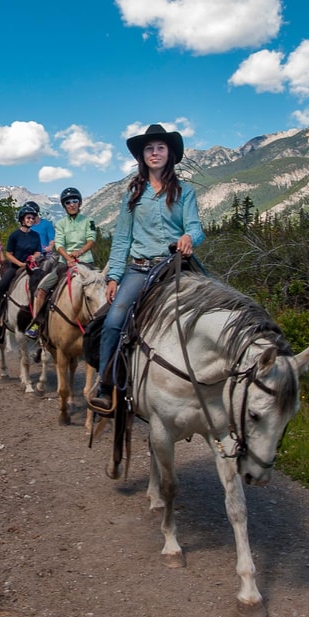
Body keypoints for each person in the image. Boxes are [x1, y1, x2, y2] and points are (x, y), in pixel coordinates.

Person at [89, 124, 205, 413]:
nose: (155, 153)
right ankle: (105, 384)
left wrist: (190, 237)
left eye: (160, 148)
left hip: (177, 265)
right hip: (140, 270)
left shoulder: (185, 192)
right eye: (149, 148)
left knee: (214, 309)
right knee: (115, 318)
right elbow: (122, 240)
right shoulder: (132, 194)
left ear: (170, 153)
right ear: (143, 156)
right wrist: (114, 276)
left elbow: (195, 228)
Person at [25, 187, 96, 338]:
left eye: (75, 201)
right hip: (64, 264)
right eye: (68, 202)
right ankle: (38, 324)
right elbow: (59, 244)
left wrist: (79, 252)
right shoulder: (61, 224)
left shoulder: (88, 221)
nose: (72, 204)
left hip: (86, 263)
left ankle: (105, 326)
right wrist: (69, 258)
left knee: (103, 287)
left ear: (80, 202)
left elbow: (91, 240)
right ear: (64, 205)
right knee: (42, 289)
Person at [0, 202, 44, 325]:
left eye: (32, 218)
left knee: (44, 284)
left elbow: (38, 252)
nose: (31, 220)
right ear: (22, 220)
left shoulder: (36, 235)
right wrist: (20, 264)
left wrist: (34, 258)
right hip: (15, 267)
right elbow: (8, 254)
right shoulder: (14, 235)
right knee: (2, 284)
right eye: (28, 218)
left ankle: (41, 314)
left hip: (32, 267)